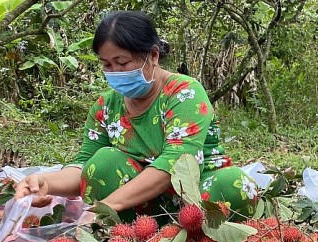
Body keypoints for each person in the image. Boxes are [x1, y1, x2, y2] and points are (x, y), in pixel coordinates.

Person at [14, 11, 258, 221]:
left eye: (122, 62)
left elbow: (174, 164)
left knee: (233, 184)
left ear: (153, 55)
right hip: (140, 206)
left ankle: (198, 240)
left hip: (196, 194)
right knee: (103, 162)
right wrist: (47, 183)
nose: (115, 72)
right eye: (107, 65)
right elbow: (82, 165)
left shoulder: (184, 93)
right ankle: (136, 240)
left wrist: (108, 205)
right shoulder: (106, 105)